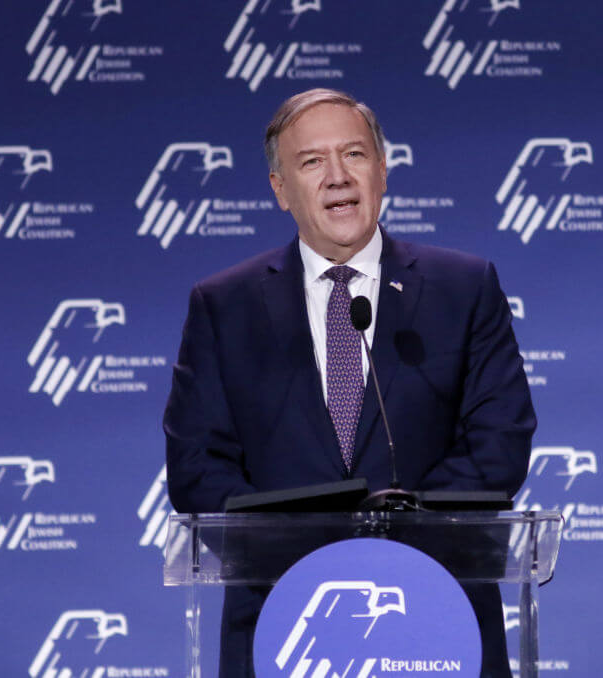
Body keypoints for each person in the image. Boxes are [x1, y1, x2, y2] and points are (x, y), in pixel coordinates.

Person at [164, 88, 536, 677]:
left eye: (355, 155)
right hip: (283, 623)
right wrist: (315, 556)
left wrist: (392, 543)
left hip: (438, 621)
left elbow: (499, 442)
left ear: (383, 170)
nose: (337, 176)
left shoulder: (464, 288)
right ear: (280, 189)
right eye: (312, 161)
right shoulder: (224, 306)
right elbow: (197, 467)